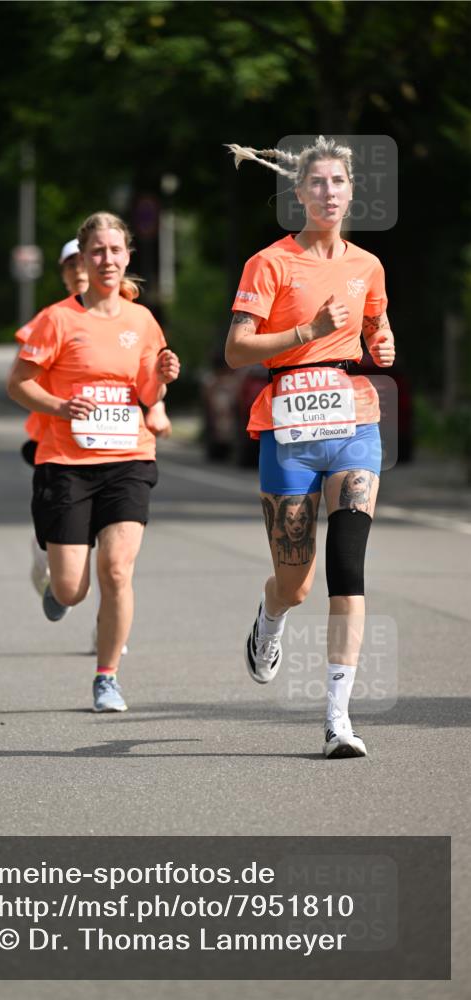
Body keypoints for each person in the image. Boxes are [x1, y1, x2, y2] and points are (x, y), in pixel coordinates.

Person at [224, 137, 395, 758]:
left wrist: (384, 343)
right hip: (288, 430)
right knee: (295, 583)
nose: (328, 192)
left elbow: (375, 324)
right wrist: (307, 330)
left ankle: (337, 718)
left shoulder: (368, 265)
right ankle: (269, 618)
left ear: (351, 192)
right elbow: (236, 350)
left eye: (337, 182)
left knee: (348, 568)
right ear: (297, 193)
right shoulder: (269, 263)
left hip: (354, 424)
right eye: (316, 183)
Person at [7, 212, 180, 712]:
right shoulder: (57, 319)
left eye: (115, 250)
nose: (107, 259)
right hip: (66, 461)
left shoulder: (141, 321)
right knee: (71, 589)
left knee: (118, 570)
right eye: (97, 251)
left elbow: (146, 393)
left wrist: (163, 377)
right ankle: (55, 582)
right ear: (83, 259)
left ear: (127, 256)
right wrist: (60, 406)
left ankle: (107, 677)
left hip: (129, 459)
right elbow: (18, 384)